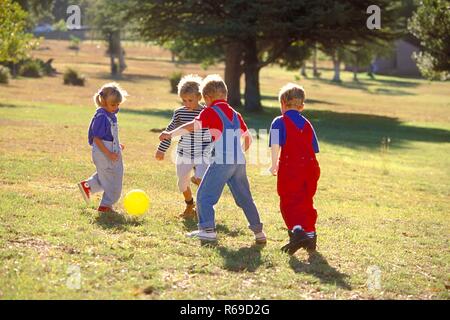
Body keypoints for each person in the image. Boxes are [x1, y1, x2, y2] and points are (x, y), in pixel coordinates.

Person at [159, 74, 266, 244]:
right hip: (239, 161)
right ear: (225, 95)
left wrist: (170, 134)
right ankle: (259, 232)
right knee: (245, 198)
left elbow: (191, 127)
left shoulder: (210, 111)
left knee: (204, 196)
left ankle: (207, 230)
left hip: (222, 161)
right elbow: (248, 139)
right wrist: (238, 154)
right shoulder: (235, 114)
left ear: (207, 98)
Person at [269, 83, 320, 254]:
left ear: (282, 103)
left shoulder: (278, 121)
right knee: (306, 201)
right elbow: (313, 149)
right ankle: (310, 238)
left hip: (291, 168)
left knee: (288, 201)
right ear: (302, 106)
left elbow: (275, 145)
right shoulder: (307, 124)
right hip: (311, 167)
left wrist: (273, 164)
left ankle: (297, 231)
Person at [155, 74, 212, 218]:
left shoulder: (207, 112)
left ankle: (202, 208)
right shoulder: (179, 113)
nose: (187, 103)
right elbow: (170, 131)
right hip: (184, 153)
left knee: (200, 179)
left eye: (190, 100)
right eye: (184, 100)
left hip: (203, 153)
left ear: (199, 97)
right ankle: (189, 205)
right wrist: (161, 149)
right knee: (182, 183)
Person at [78, 82, 128, 213]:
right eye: (113, 104)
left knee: (108, 175)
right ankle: (105, 205)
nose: (116, 107)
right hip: (103, 152)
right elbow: (97, 138)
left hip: (110, 150)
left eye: (118, 104)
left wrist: (117, 144)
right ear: (104, 101)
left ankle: (87, 187)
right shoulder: (101, 117)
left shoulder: (110, 114)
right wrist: (109, 153)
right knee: (113, 179)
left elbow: (108, 135)